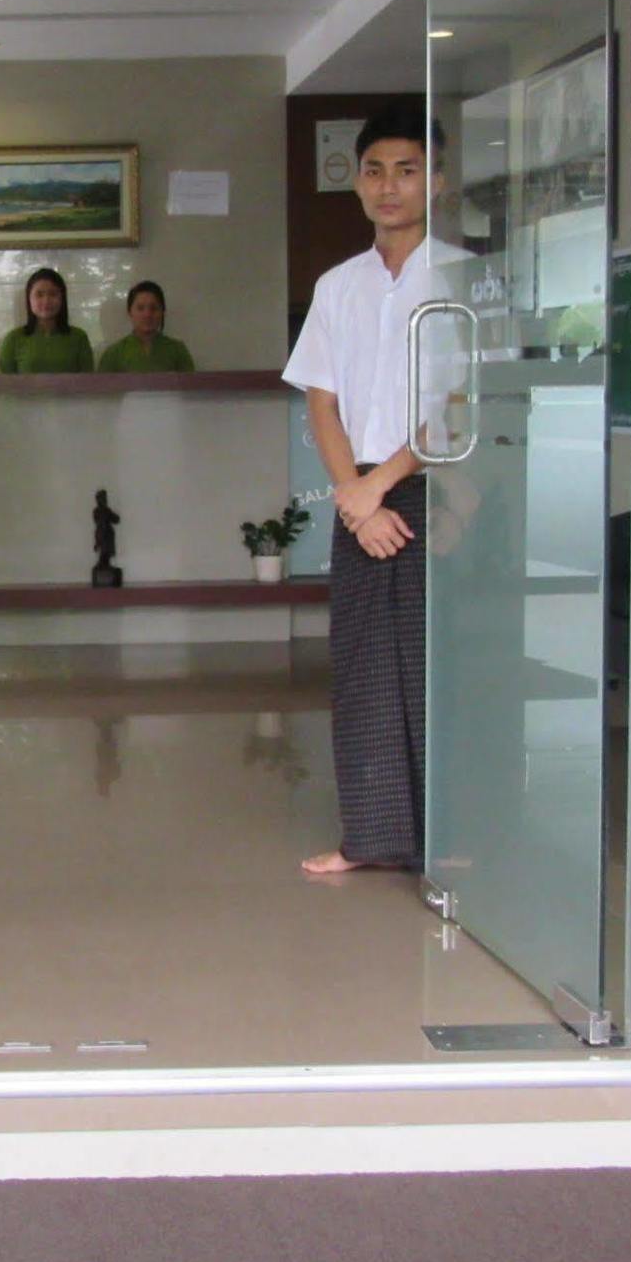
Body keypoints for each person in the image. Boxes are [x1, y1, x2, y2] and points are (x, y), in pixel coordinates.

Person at [281, 101, 460, 876]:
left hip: (441, 493)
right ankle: (373, 836)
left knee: (440, 665)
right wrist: (353, 493)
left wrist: (380, 482)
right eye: (377, 171)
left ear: (438, 182)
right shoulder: (337, 286)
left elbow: (460, 403)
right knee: (362, 665)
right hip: (361, 500)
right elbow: (320, 399)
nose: (391, 187)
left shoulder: (462, 277)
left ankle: (455, 838)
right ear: (356, 183)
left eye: (409, 171)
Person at [0, 267, 95, 373]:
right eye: (39, 295)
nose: (46, 301)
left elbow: (88, 384)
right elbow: (5, 386)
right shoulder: (13, 339)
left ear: (62, 299)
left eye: (53, 294)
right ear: (29, 299)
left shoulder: (79, 337)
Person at [97, 280, 196, 372]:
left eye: (154, 308)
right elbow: (101, 389)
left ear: (162, 312)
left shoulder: (178, 351)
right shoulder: (113, 354)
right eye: (140, 308)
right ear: (130, 312)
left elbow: (191, 388)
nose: (147, 314)